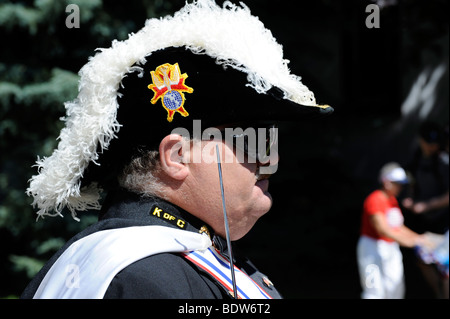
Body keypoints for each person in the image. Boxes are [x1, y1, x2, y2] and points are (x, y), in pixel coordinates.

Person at [20, 0, 333, 299]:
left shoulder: (160, 262)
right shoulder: (145, 279)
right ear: (177, 157)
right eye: (251, 141)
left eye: (268, 142)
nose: (269, 159)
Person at [357, 162, 426, 299]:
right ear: (387, 182)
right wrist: (411, 242)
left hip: (391, 248)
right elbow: (382, 229)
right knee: (374, 290)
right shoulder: (375, 199)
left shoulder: (392, 201)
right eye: (397, 183)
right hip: (371, 248)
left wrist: (419, 239)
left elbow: (398, 227)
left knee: (395, 287)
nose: (400, 187)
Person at [402, 121, 449, 299]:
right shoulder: (416, 160)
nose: (432, 146)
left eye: (435, 143)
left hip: (444, 222)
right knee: (423, 260)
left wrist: (427, 205)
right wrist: (411, 200)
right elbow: (412, 185)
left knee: (445, 265)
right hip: (423, 222)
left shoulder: (444, 162)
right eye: (428, 142)